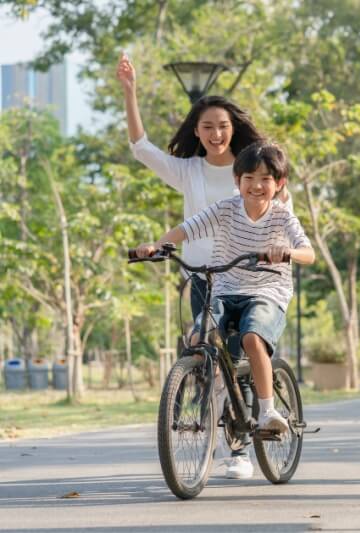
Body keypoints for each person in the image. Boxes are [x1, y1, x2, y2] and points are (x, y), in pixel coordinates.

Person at [117, 53, 291, 479]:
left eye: (223, 126)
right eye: (208, 126)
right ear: (197, 131)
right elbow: (141, 148)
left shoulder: (253, 173)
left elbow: (281, 211)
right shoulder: (188, 171)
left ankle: (240, 450)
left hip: (250, 276)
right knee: (203, 350)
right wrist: (130, 91)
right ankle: (208, 438)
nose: (216, 133)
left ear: (234, 130)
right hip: (202, 278)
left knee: (238, 351)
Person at [134, 140, 314, 436]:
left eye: (266, 179)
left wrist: (288, 254)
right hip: (226, 288)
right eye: (249, 178)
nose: (256, 185)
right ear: (237, 180)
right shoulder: (226, 208)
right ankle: (220, 396)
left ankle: (268, 411)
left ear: (279, 183)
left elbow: (309, 253)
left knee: (252, 338)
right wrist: (158, 244)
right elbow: (188, 228)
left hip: (267, 291)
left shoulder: (283, 216)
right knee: (196, 337)